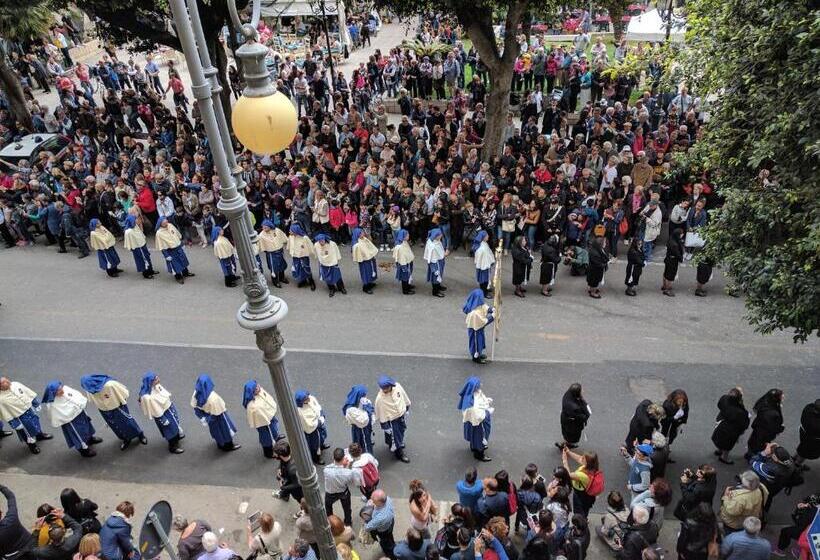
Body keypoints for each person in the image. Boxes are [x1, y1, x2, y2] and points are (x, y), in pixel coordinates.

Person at [80, 374, 147, 451]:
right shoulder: (89, 388)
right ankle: (126, 438)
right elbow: (92, 398)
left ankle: (140, 435)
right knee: (115, 426)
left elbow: (124, 392)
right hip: (104, 410)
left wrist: (118, 402)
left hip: (117, 408)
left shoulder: (110, 385)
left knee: (128, 423)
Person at [41, 381, 102, 457]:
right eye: (59, 391)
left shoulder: (66, 389)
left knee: (87, 426)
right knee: (78, 434)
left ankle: (90, 439)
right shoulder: (52, 404)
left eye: (61, 388)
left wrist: (80, 405)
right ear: (54, 393)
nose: (62, 391)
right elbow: (58, 415)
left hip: (80, 414)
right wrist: (71, 412)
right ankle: (84, 450)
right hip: (71, 421)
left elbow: (76, 395)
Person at [0, 376, 52, 454]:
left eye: (6, 379)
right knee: (27, 432)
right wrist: (15, 423)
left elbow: (28, 392)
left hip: (29, 409)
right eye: (4, 382)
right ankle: (32, 445)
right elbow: (5, 413)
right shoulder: (1, 399)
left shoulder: (16, 384)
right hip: (20, 417)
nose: (7, 381)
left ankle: (39, 435)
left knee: (36, 423)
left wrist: (35, 403)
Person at [190, 374, 240, 452]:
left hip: (208, 416)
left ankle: (220, 444)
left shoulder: (196, 394)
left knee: (216, 432)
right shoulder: (213, 398)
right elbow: (220, 411)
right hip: (218, 416)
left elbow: (196, 408)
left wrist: (203, 418)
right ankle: (228, 446)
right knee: (225, 431)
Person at [138, 372, 184, 454]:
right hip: (163, 414)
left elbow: (164, 395)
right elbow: (155, 409)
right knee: (170, 431)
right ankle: (173, 446)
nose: (158, 380)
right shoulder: (148, 397)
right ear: (150, 382)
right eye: (155, 379)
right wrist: (162, 419)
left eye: (157, 377)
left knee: (175, 425)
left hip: (169, 409)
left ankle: (177, 436)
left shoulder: (156, 386)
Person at [749, 442, 797, 511]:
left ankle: (760, 512)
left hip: (767, 486)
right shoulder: (790, 462)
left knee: (761, 499)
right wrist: (778, 449)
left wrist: (764, 453)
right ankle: (765, 509)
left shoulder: (770, 470)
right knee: (769, 498)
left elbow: (753, 462)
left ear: (775, 458)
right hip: (778, 486)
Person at [374, 375, 412, 463]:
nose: (384, 390)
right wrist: (385, 425)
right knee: (395, 436)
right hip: (391, 420)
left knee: (402, 430)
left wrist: (407, 407)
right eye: (383, 388)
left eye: (386, 388)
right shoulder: (380, 398)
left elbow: (404, 396)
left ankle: (393, 443)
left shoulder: (398, 387)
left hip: (401, 415)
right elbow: (381, 412)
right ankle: (399, 453)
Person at [243, 380, 282, 458]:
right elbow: (259, 417)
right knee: (266, 437)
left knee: (274, 429)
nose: (259, 388)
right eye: (256, 388)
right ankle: (268, 452)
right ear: (252, 392)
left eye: (258, 385)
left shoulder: (260, 391)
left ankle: (275, 437)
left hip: (269, 417)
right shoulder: (253, 406)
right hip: (263, 423)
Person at [711, 387, 750, 465]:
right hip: (731, 429)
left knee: (720, 438)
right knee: (728, 444)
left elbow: (719, 405)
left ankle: (719, 450)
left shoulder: (724, 399)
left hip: (721, 423)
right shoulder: (739, 412)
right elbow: (743, 423)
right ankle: (724, 457)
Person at [458, 377, 494, 462]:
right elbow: (479, 416)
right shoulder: (470, 405)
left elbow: (480, 400)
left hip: (472, 422)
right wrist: (487, 412)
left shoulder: (470, 394)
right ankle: (479, 454)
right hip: (477, 424)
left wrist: (486, 401)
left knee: (474, 437)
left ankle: (473, 447)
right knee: (479, 438)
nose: (480, 385)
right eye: (478, 384)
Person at [773, 493, 819, 557]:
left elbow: (799, 523)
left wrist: (798, 509)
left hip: (805, 532)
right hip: (815, 533)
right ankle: (800, 550)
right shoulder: (816, 510)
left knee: (785, 531)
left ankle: (780, 549)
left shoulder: (810, 511)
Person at [745, 388, 785, 460]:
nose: (783, 397)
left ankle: (749, 454)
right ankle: (753, 458)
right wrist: (780, 428)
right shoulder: (773, 413)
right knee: (759, 445)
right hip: (764, 433)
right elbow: (772, 427)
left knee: (753, 441)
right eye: (781, 396)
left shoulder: (764, 403)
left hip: (758, 427)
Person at [562, 448, 603, 517]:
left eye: (584, 458)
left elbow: (568, 475)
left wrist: (564, 460)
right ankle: (585, 518)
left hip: (580, 495)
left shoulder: (583, 475)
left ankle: (580, 522)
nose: (581, 458)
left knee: (578, 511)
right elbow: (578, 458)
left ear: (587, 462)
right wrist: (569, 452)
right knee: (585, 509)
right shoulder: (592, 468)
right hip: (588, 496)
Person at [324, 447, 359, 526]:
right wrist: (346, 466)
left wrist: (343, 465)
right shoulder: (348, 473)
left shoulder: (326, 469)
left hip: (330, 492)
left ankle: (330, 522)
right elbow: (350, 480)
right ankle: (348, 523)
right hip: (343, 492)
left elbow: (334, 467)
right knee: (347, 509)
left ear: (333, 457)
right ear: (343, 458)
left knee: (328, 507)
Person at [155, 216, 194, 284]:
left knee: (183, 261)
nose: (166, 224)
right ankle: (178, 277)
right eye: (164, 223)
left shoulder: (170, 225)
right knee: (175, 265)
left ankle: (185, 273)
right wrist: (166, 255)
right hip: (170, 251)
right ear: (160, 224)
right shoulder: (159, 233)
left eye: (166, 222)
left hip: (178, 247)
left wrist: (181, 244)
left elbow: (176, 235)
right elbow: (161, 246)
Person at [295, 389, 328, 464]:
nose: (309, 399)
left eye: (307, 396)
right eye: (306, 399)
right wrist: (320, 421)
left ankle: (321, 445)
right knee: (314, 445)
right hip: (313, 430)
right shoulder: (300, 411)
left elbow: (317, 406)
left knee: (322, 436)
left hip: (319, 423)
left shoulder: (311, 398)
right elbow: (308, 425)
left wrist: (321, 413)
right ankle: (316, 458)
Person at [1, 485, 33, 560]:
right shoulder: (12, 518)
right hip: (30, 546)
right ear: (1, 513)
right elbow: (11, 497)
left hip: (12, 556)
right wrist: (1, 487)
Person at [463, 289, 494, 364]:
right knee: (476, 343)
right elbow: (483, 322)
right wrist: (492, 317)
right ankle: (475, 357)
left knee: (480, 340)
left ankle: (479, 353)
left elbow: (485, 308)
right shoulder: (474, 313)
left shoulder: (479, 304)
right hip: (475, 329)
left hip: (478, 327)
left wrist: (492, 309)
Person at [556, 383, 590, 450]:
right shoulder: (574, 407)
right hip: (572, 424)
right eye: (581, 390)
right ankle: (566, 446)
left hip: (565, 419)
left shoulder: (568, 395)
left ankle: (565, 444)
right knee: (571, 436)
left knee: (567, 434)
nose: (582, 391)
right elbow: (583, 417)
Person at [122, 214, 157, 279]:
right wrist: (132, 249)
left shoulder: (135, 226)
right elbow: (128, 242)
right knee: (142, 260)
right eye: (136, 219)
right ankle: (146, 273)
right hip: (137, 248)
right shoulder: (128, 232)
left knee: (147, 257)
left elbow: (140, 234)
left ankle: (150, 270)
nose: (138, 220)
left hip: (142, 245)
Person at [342, 385, 375, 454]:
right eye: (364, 395)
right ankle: (367, 457)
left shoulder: (360, 401)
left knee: (361, 440)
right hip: (361, 428)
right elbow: (363, 421)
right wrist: (367, 407)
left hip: (362, 426)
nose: (365, 397)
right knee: (364, 442)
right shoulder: (351, 409)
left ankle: (358, 452)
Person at [364, 490, 395, 560]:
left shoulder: (381, 517)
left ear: (379, 502)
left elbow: (368, 527)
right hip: (390, 523)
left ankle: (391, 555)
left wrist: (365, 522)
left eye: (373, 501)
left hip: (383, 531)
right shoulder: (387, 499)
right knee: (390, 536)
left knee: (386, 544)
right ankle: (392, 543)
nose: (372, 502)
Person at [259, 220, 289, 288]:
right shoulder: (261, 235)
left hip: (280, 251)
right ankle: (275, 281)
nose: (263, 229)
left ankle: (282, 278)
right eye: (263, 227)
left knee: (281, 265)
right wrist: (267, 250)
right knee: (274, 268)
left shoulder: (277, 230)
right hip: (271, 254)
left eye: (265, 227)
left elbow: (284, 237)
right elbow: (261, 245)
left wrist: (286, 243)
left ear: (270, 226)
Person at [660, 389, 689, 458]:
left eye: (682, 402)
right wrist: (674, 418)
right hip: (667, 424)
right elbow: (664, 420)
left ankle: (668, 445)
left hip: (676, 424)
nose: (681, 404)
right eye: (679, 402)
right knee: (664, 436)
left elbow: (686, 411)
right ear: (674, 400)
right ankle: (662, 450)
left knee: (673, 435)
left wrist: (683, 421)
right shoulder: (667, 405)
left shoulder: (684, 404)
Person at [288, 224, 316, 290]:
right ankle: (303, 281)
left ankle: (311, 281)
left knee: (306, 268)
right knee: (298, 268)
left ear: (295, 231)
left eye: (291, 230)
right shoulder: (291, 237)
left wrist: (314, 254)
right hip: (295, 256)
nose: (289, 231)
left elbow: (311, 246)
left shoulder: (304, 238)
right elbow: (289, 246)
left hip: (304, 256)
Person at [351, 228, 378, 294]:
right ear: (357, 234)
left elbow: (370, 246)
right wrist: (364, 258)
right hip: (364, 261)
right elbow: (358, 255)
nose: (363, 233)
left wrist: (371, 254)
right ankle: (366, 287)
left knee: (371, 271)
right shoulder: (357, 245)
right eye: (361, 233)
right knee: (366, 273)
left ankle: (370, 283)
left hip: (370, 258)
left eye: (362, 232)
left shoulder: (364, 239)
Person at [795, 399, 820, 470]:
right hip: (812, 440)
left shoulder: (808, 408)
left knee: (802, 447)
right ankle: (796, 465)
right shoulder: (816, 424)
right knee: (805, 453)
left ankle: (794, 458)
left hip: (803, 433)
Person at [424, 228, 447, 297]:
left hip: (440, 261)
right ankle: (435, 291)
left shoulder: (437, 241)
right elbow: (432, 259)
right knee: (435, 277)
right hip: (436, 264)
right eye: (440, 234)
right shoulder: (432, 246)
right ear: (436, 236)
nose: (441, 235)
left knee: (439, 276)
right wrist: (435, 269)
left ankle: (438, 286)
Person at [586, 230, 609, 298]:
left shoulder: (597, 249)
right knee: (594, 281)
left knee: (593, 281)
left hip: (594, 269)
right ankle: (593, 292)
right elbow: (598, 263)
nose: (605, 243)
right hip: (594, 270)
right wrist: (604, 264)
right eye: (604, 242)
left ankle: (591, 289)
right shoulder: (594, 253)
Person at [661, 228, 684, 296]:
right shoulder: (675, 244)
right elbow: (677, 254)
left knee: (666, 273)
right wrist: (681, 259)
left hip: (668, 259)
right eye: (681, 234)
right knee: (670, 276)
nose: (682, 235)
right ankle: (668, 289)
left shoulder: (671, 239)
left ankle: (664, 286)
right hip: (673, 261)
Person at [393, 229, 416, 295]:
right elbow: (401, 258)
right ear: (403, 236)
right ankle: (405, 290)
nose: (408, 235)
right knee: (404, 277)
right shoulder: (399, 247)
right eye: (407, 234)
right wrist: (404, 267)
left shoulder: (405, 242)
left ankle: (408, 286)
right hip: (403, 265)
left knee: (407, 276)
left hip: (407, 263)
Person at [472, 230, 495, 296]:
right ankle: (484, 292)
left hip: (484, 265)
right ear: (483, 237)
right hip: (483, 266)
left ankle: (485, 289)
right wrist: (489, 262)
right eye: (487, 235)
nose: (488, 236)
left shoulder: (484, 244)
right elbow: (484, 256)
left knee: (485, 279)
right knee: (484, 280)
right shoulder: (482, 248)